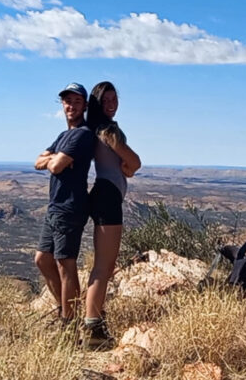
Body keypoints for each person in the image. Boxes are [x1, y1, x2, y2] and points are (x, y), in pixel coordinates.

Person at [82, 81, 141, 347]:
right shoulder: (107, 130)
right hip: (107, 197)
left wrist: (126, 168)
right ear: (96, 102)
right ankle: (93, 329)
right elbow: (135, 162)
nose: (111, 104)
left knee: (103, 265)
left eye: (114, 98)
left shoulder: (96, 128)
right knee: (103, 267)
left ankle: (93, 317)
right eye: (105, 99)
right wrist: (129, 167)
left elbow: (124, 166)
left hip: (104, 194)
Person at [34, 82, 96, 324]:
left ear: (85, 105)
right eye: (67, 101)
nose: (71, 105)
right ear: (62, 104)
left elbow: (54, 166)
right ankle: (64, 309)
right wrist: (53, 158)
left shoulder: (82, 134)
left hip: (70, 207)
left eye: (77, 101)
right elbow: (38, 162)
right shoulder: (64, 135)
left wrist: (54, 160)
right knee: (42, 259)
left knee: (65, 264)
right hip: (55, 206)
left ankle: (69, 321)